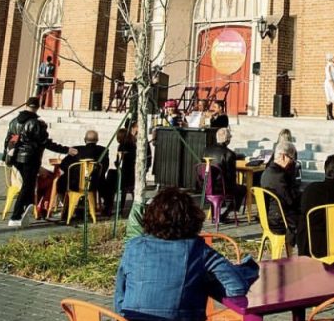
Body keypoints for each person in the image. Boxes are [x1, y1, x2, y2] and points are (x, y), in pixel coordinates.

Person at [114, 186, 258, 321]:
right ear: (192, 218)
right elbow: (236, 286)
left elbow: (120, 298)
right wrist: (207, 286)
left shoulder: (134, 246)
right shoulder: (198, 249)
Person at [3, 96, 75, 227]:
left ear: (26, 105)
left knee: (29, 185)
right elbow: (45, 142)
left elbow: (7, 140)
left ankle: (28, 208)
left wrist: (6, 157)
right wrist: (66, 150)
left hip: (16, 158)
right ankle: (15, 216)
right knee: (27, 186)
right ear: (38, 107)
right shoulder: (35, 123)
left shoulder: (14, 121)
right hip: (30, 158)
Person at [259, 139, 301, 243]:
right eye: (291, 159)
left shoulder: (267, 171)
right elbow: (290, 201)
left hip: (270, 217)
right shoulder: (279, 176)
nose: (292, 163)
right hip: (279, 221)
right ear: (283, 156)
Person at [204, 127, 246, 220]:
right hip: (221, 188)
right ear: (228, 140)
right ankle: (226, 213)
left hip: (206, 185)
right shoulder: (229, 154)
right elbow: (231, 176)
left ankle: (218, 213)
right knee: (242, 189)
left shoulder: (206, 150)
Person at [55, 129, 107, 203]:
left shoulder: (76, 150)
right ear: (97, 140)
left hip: (75, 184)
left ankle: (64, 202)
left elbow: (63, 165)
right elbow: (104, 167)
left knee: (61, 180)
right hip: (95, 183)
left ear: (84, 139)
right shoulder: (103, 150)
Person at [323, 53, 334, 120]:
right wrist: (333, 84)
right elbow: (329, 76)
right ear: (330, 59)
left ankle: (330, 115)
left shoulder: (333, 66)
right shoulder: (329, 66)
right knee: (329, 98)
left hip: (332, 83)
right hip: (329, 84)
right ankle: (329, 115)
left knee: (331, 98)